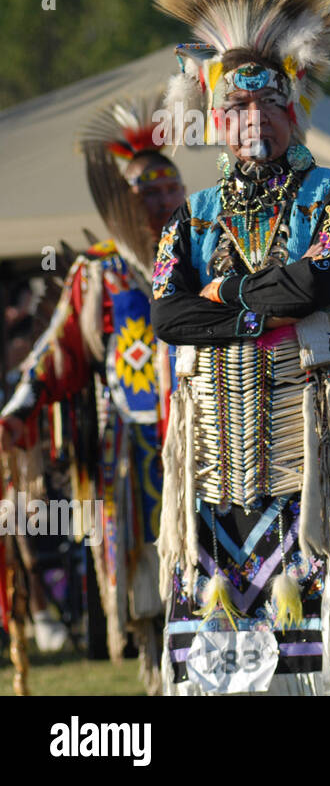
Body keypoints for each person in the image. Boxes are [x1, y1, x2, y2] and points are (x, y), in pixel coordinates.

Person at [149, 0, 330, 695]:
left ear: (295, 109)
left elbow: (319, 280)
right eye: (237, 105)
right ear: (215, 120)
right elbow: (169, 318)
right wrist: (259, 309)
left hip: (311, 459)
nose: (255, 117)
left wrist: (224, 296)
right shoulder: (191, 218)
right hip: (212, 463)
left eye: (271, 101)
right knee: (214, 650)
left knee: (319, 641)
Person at [1, 91, 186, 693]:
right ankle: (159, 673)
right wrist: (22, 406)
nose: (157, 200)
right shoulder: (101, 272)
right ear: (117, 202)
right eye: (142, 191)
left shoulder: (209, 249)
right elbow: (58, 354)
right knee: (149, 585)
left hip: (211, 437)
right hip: (132, 451)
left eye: (167, 187)